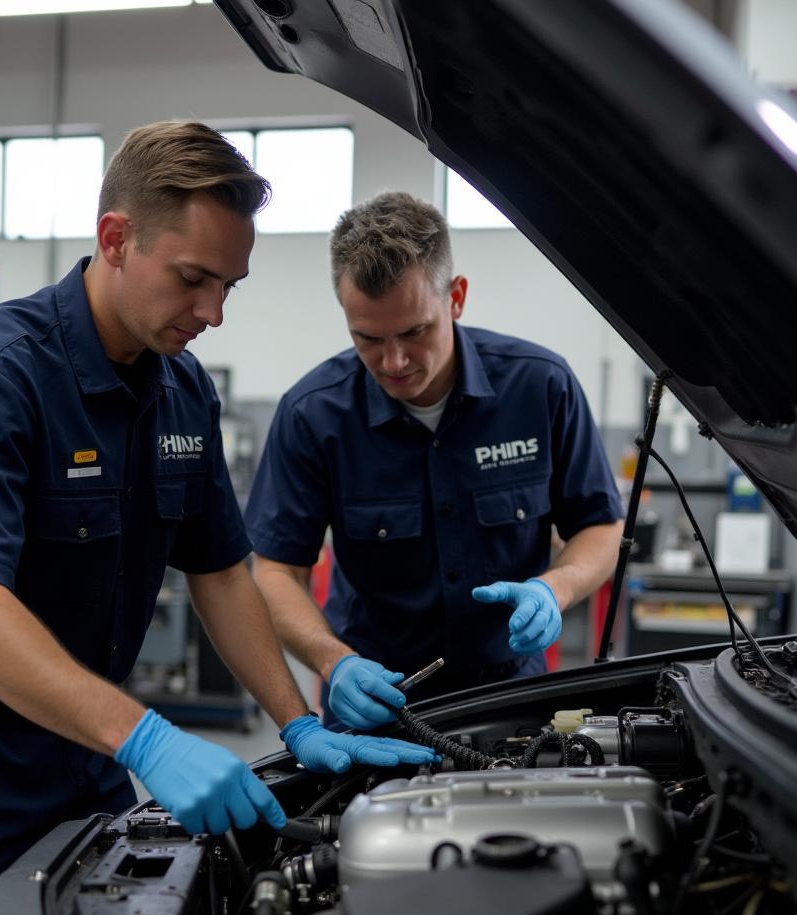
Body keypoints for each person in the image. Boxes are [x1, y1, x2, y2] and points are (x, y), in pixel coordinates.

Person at [0, 126, 435, 915]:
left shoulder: (180, 388)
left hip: (81, 751)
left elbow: (223, 571)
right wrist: (148, 741)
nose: (214, 310)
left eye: (228, 285)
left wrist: (296, 721)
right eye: (194, 278)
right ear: (116, 240)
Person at [245, 192, 624, 730]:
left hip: (512, 703)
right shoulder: (313, 416)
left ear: (456, 297)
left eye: (414, 331)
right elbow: (277, 571)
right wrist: (335, 661)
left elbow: (601, 526)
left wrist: (552, 589)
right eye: (368, 338)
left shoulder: (540, 388)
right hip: (376, 706)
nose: (394, 361)